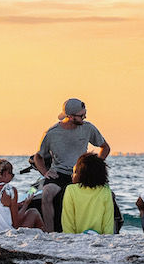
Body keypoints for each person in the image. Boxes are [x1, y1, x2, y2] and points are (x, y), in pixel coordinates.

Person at [33, 98, 110, 232]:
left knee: (107, 193)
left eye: (85, 114)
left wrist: (93, 166)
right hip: (59, 174)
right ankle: (50, 234)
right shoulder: (51, 133)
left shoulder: (88, 128)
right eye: (81, 115)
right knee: (46, 193)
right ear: (69, 116)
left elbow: (105, 147)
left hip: (82, 173)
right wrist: (45, 172)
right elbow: (38, 157)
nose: (84, 117)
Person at [0, 159, 43, 232]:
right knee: (33, 212)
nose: (12, 177)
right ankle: (48, 235)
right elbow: (16, 224)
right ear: (5, 174)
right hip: (5, 234)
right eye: (12, 174)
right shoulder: (9, 190)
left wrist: (16, 205)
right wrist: (26, 204)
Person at [60, 154, 116, 234]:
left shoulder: (70, 190)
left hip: (75, 239)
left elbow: (67, 221)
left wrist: (70, 238)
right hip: (99, 238)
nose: (72, 175)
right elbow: (108, 223)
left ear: (82, 174)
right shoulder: (105, 191)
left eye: (75, 172)